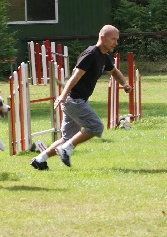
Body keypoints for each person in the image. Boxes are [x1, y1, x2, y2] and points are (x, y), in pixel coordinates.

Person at [30, 24, 132, 170]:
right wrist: (63, 96)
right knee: (96, 127)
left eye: (117, 39)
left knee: (67, 138)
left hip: (75, 100)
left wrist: (124, 84)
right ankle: (66, 149)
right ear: (102, 38)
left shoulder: (104, 57)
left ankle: (40, 159)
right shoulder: (91, 54)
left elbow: (114, 71)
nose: (116, 43)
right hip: (74, 100)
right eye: (113, 39)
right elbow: (74, 77)